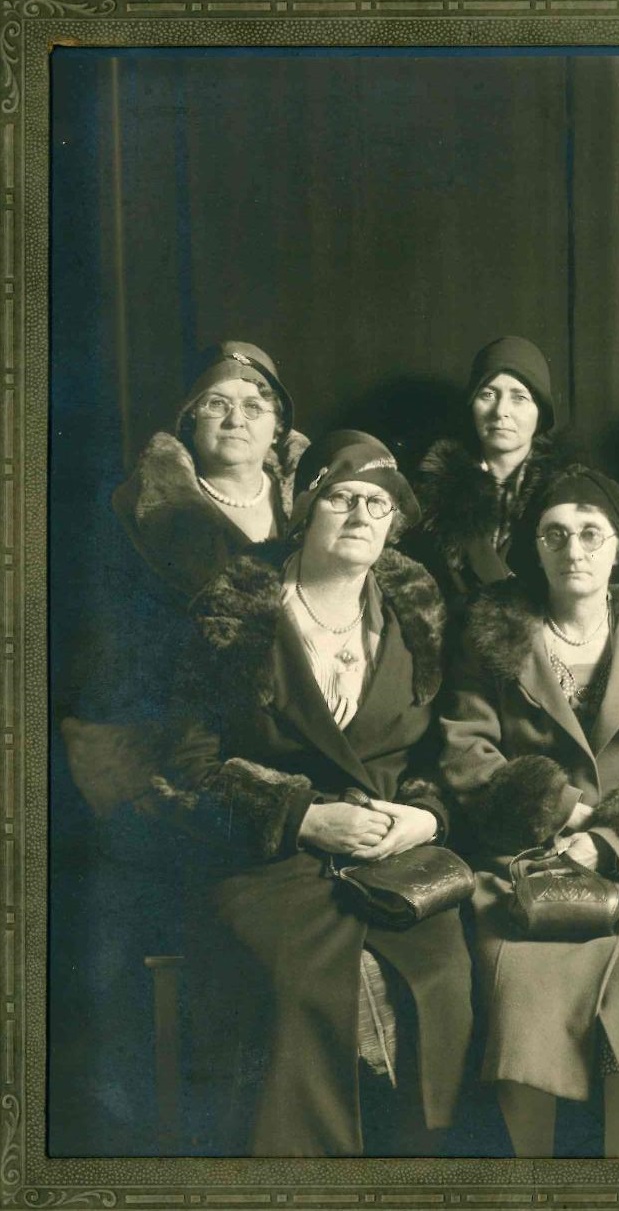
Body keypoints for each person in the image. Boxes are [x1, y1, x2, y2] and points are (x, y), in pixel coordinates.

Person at [153, 431, 473, 1157]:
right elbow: (182, 768)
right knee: (299, 989)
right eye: (343, 496)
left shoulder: (418, 616)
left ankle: (420, 1175)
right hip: (265, 863)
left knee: (444, 979)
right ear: (306, 508)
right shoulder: (234, 610)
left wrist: (422, 815)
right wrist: (300, 815)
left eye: (381, 503)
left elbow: (441, 751)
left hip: (395, 860)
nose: (363, 513)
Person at [51, 340, 309, 1153]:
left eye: (256, 404)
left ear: (280, 430)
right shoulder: (139, 517)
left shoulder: (313, 509)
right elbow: (112, 656)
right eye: (218, 403)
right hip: (173, 747)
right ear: (189, 420)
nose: (237, 417)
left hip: (297, 739)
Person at [439, 465, 619, 1159]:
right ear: (534, 546)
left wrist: (611, 840)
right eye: (555, 533)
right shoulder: (493, 634)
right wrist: (559, 815)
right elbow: (466, 751)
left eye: (592, 532)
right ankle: (537, 1180)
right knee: (522, 984)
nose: (574, 548)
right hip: (520, 862)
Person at [407, 335, 572, 614]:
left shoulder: (569, 493)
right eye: (488, 394)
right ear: (472, 406)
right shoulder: (430, 494)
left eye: (519, 397)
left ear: (540, 413)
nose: (501, 411)